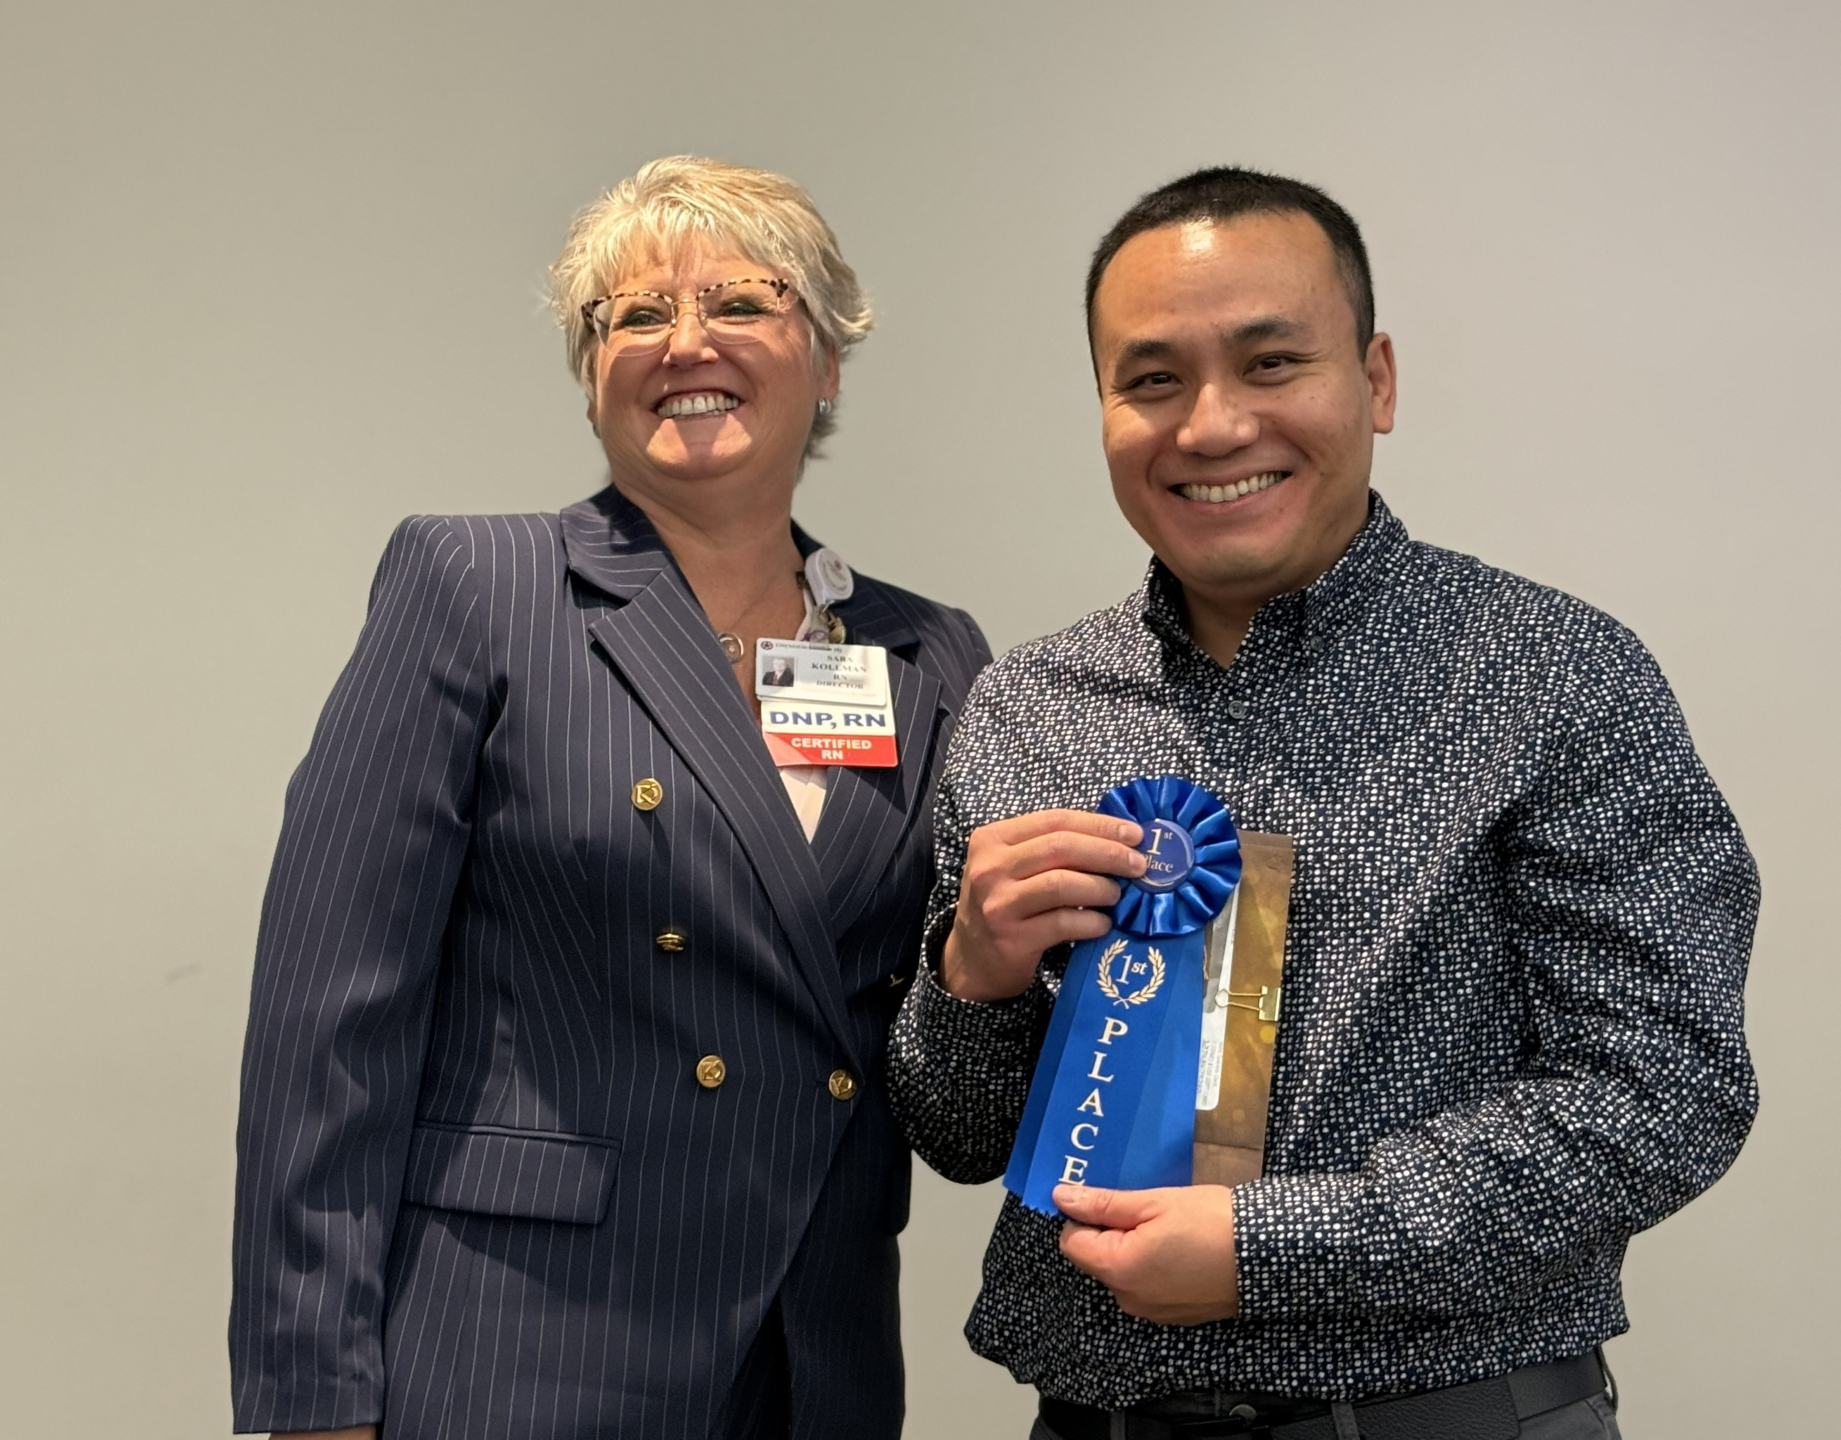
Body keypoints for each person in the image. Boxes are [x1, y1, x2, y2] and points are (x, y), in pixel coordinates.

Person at [887, 168, 1758, 1440]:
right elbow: (961, 1137)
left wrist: (1269, 1248)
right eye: (1151, 381)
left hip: (1452, 1415)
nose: (1213, 425)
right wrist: (970, 980)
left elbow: (1662, 1090)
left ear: (1377, 379)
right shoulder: (1026, 707)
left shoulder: (1554, 676)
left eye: (1271, 361)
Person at [231, 157, 991, 1440]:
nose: (684, 341)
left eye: (742, 302)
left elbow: (927, 1019)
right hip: (520, 1343)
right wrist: (313, 1395)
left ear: (828, 360)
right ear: (593, 377)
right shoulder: (480, 586)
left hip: (814, 1355)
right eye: (633, 317)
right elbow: (331, 1021)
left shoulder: (925, 655)